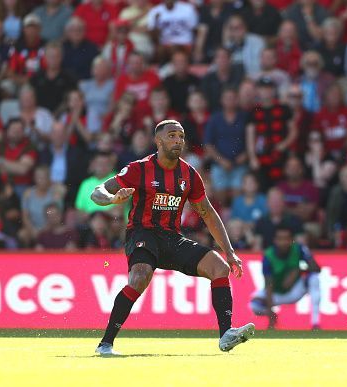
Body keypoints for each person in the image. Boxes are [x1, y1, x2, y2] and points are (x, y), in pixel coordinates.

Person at [90, 119, 254, 355]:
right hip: (142, 233)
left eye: (181, 136)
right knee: (140, 277)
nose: (178, 140)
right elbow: (98, 192)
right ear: (158, 141)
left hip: (171, 237)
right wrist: (112, 199)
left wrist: (229, 252)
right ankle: (105, 344)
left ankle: (226, 334)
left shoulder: (189, 174)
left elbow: (207, 213)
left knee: (219, 268)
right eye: (172, 136)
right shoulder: (139, 169)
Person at [249, 225, 321, 330]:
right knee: (254, 305)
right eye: (280, 239)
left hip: (296, 291)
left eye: (286, 239)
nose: (283, 242)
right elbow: (268, 285)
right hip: (276, 293)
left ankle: (315, 323)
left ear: (292, 240)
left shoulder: (299, 249)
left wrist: (298, 270)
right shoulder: (269, 256)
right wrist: (270, 316)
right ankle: (274, 316)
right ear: (275, 240)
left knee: (314, 278)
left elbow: (317, 268)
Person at [246, 77, 297, 191]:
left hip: (280, 156)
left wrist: (284, 144)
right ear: (258, 91)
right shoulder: (253, 111)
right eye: (263, 89)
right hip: (261, 157)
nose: (266, 92)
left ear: (274, 91)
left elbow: (294, 131)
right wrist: (253, 157)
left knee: (281, 187)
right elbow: (250, 137)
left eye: (269, 89)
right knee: (262, 187)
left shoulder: (284, 108)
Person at [204, 87, 247, 205]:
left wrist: (245, 155)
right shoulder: (214, 118)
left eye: (233, 98)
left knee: (238, 196)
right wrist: (221, 161)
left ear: (237, 100)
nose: (230, 101)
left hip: (240, 164)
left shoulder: (244, 117)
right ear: (221, 100)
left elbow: (251, 140)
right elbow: (208, 144)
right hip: (219, 165)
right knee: (219, 197)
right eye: (227, 98)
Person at [29, 41, 77, 113]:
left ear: (61, 57)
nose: (53, 60)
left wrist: (55, 115)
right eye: (50, 56)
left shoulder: (69, 77)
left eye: (56, 56)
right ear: (45, 57)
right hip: (39, 116)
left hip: (62, 116)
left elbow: (71, 101)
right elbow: (31, 99)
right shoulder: (36, 77)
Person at [75, 151, 116, 219]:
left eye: (106, 164)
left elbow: (119, 207)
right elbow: (79, 209)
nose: (103, 166)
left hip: (111, 221)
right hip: (89, 222)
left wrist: (99, 218)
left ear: (111, 166)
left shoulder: (119, 180)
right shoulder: (85, 183)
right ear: (93, 165)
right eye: (100, 163)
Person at [62, 17, 99, 81]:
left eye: (79, 30)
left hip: (86, 82)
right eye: (73, 30)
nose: (76, 33)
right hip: (65, 83)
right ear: (67, 32)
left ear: (84, 31)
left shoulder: (92, 48)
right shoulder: (62, 47)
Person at [162, 50, 199, 114]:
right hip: (171, 116)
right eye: (177, 62)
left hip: (191, 116)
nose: (180, 64)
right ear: (172, 64)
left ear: (188, 63)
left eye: (183, 61)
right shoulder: (167, 82)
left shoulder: (196, 81)